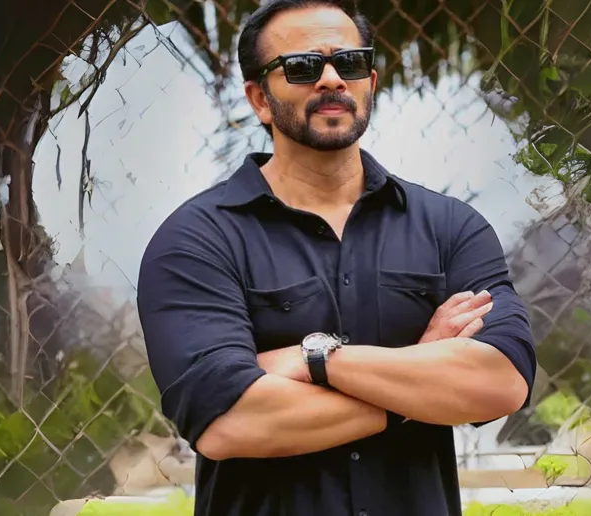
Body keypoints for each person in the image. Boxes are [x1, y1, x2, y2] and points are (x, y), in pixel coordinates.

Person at [136, 1, 536, 514]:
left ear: (370, 82)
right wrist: (415, 381)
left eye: (349, 62)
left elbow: (500, 382)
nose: (331, 80)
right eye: (302, 67)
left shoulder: (450, 227)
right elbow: (229, 422)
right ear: (259, 99)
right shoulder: (197, 240)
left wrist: (316, 360)